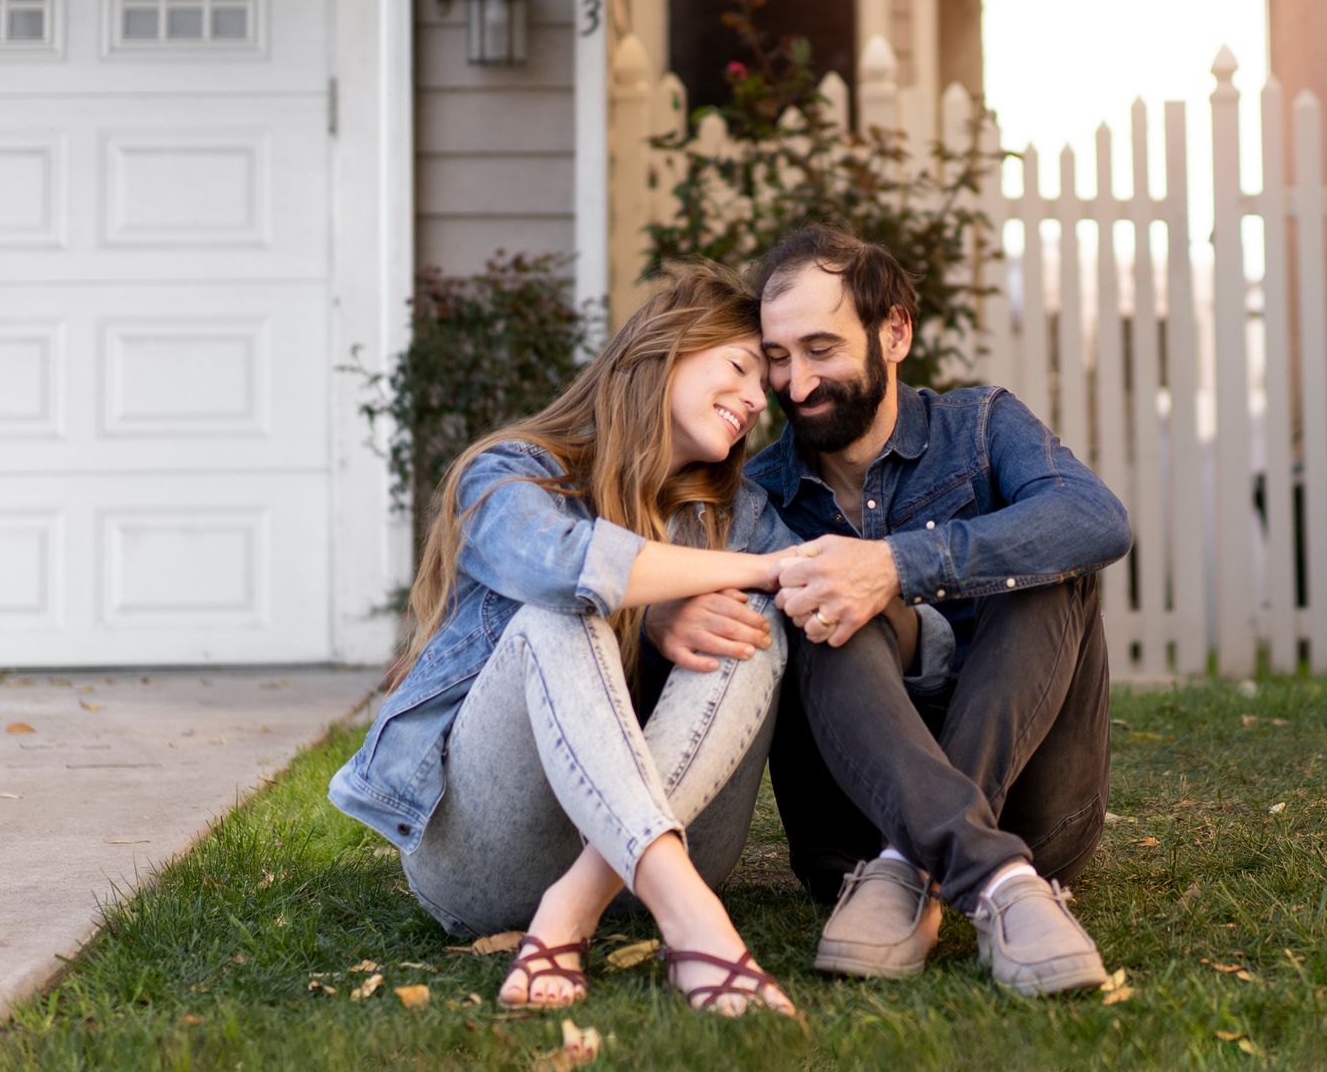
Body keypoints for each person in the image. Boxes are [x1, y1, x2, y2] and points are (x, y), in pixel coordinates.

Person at [646, 224, 1132, 997]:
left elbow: (1097, 519)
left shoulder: (980, 427)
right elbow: (647, 563)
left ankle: (914, 865)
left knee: (1047, 565)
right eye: (777, 357)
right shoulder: (760, 493)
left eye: (821, 349)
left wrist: (898, 564)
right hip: (847, 834)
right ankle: (988, 876)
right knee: (814, 593)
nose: (796, 385)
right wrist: (658, 615)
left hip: (1035, 821)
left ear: (894, 331)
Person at [329, 265, 807, 1017]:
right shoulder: (512, 474)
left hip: (672, 845)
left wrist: (746, 586)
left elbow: (817, 607)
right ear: (665, 348)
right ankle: (697, 925)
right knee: (558, 609)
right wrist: (700, 593)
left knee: (757, 615)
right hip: (488, 855)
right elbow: (563, 568)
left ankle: (578, 908)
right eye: (741, 367)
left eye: (764, 392)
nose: (755, 400)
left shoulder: (739, 516)